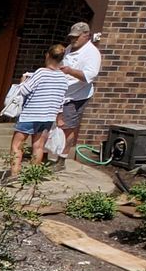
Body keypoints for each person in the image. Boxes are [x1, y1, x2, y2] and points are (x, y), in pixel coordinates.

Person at [8, 45, 75, 178]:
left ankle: (14, 174)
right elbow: (61, 100)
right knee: (38, 146)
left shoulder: (41, 72)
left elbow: (25, 90)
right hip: (48, 117)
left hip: (30, 115)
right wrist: (59, 117)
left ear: (47, 55)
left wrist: (23, 81)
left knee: (17, 145)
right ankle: (33, 176)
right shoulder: (63, 78)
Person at [58, 20, 102, 162]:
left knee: (67, 127)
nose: (73, 40)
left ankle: (61, 158)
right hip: (62, 93)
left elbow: (89, 76)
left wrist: (70, 71)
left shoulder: (92, 53)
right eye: (72, 37)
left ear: (86, 36)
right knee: (53, 126)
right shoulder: (69, 48)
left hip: (76, 96)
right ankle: (46, 154)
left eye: (76, 37)